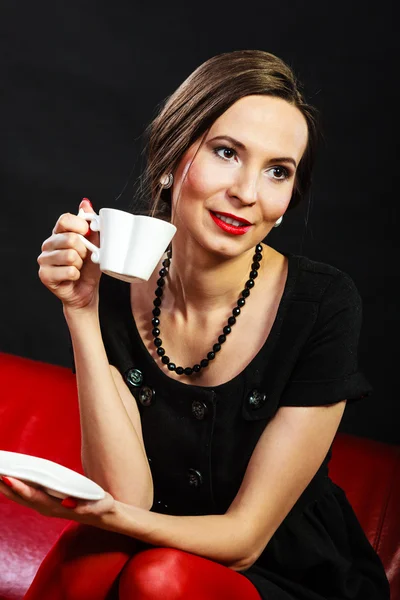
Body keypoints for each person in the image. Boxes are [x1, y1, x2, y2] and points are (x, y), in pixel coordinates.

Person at [0, 50, 390, 600]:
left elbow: (245, 541)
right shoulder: (115, 280)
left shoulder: (322, 304)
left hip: (292, 577)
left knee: (156, 576)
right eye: (227, 153)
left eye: (278, 171)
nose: (248, 193)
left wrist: (105, 517)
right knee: (91, 558)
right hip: (152, 557)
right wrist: (81, 311)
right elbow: (127, 496)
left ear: (287, 200)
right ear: (169, 158)